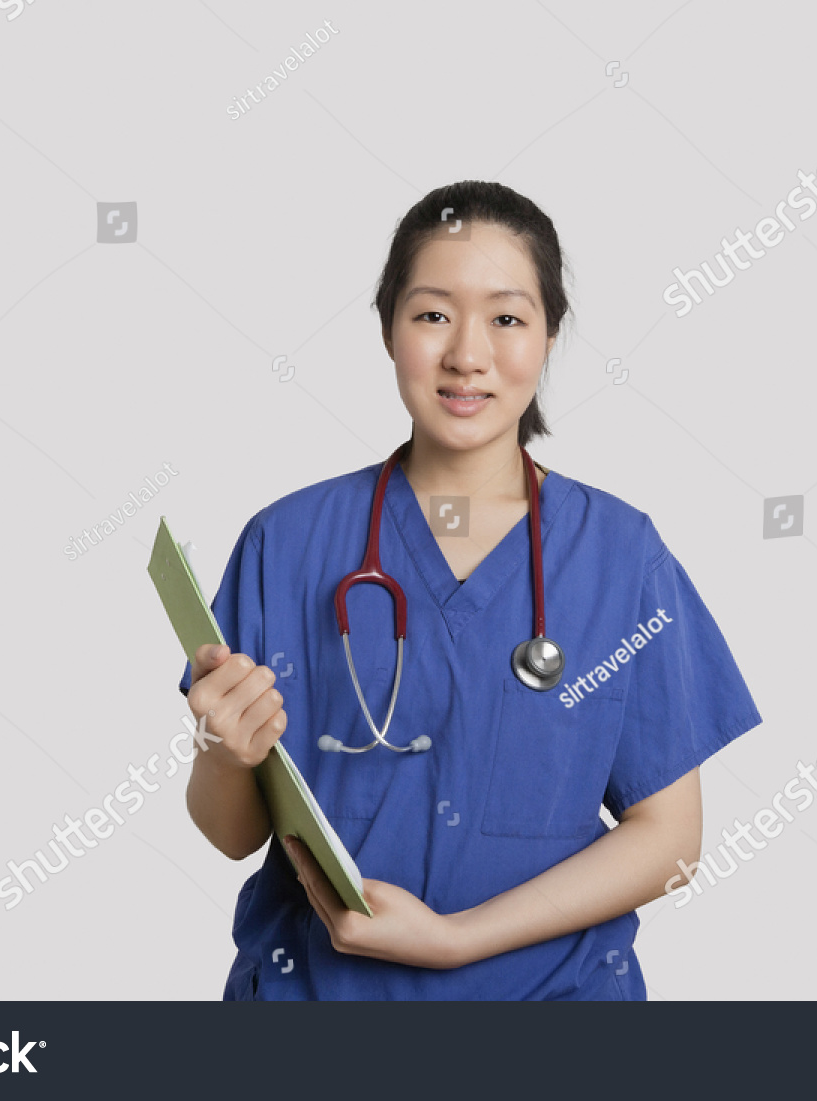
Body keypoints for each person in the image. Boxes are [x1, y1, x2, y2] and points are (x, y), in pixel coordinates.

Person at [178, 180, 762, 1000]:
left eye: (507, 317)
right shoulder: (287, 541)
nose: (467, 354)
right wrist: (222, 754)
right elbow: (234, 831)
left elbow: (669, 839)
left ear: (550, 335)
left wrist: (455, 941)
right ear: (388, 329)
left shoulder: (622, 555)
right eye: (431, 314)